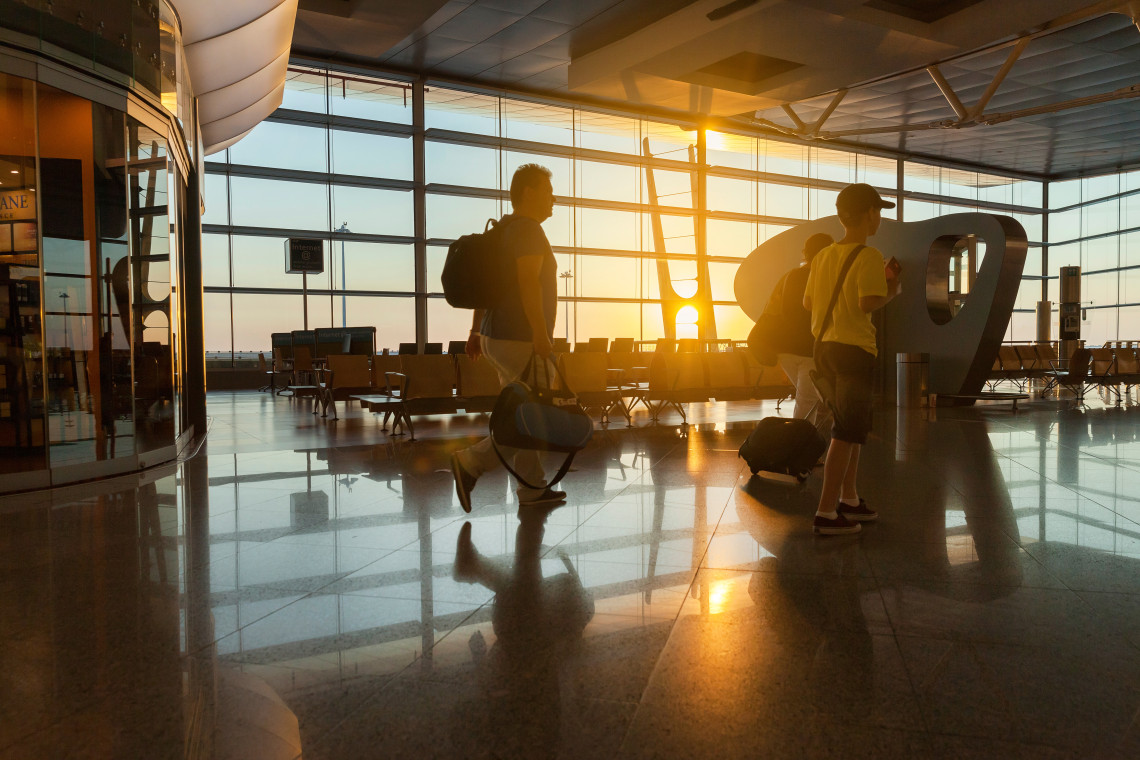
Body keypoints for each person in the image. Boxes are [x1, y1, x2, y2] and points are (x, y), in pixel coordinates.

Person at [451, 163, 564, 511]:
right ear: (529, 193)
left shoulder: (502, 231)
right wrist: (541, 334)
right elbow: (528, 284)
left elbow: (487, 289)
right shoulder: (528, 230)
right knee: (534, 413)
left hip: (495, 335)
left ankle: (532, 489)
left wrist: (475, 330)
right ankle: (471, 462)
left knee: (524, 411)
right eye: (548, 191)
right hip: (519, 337)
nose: (553, 199)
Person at [803, 183, 901, 535]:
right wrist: (894, 290)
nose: (879, 218)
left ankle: (849, 497)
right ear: (869, 214)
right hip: (854, 352)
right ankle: (826, 513)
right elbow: (868, 302)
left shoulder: (822, 256)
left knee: (853, 427)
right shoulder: (869, 256)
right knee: (845, 432)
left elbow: (808, 304)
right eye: (878, 211)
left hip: (825, 349)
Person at [768, 232, 835, 437]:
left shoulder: (792, 275)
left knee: (808, 398)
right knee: (807, 401)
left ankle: (803, 447)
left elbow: (785, 311)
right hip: (807, 349)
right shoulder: (820, 277)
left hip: (785, 349)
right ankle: (797, 448)